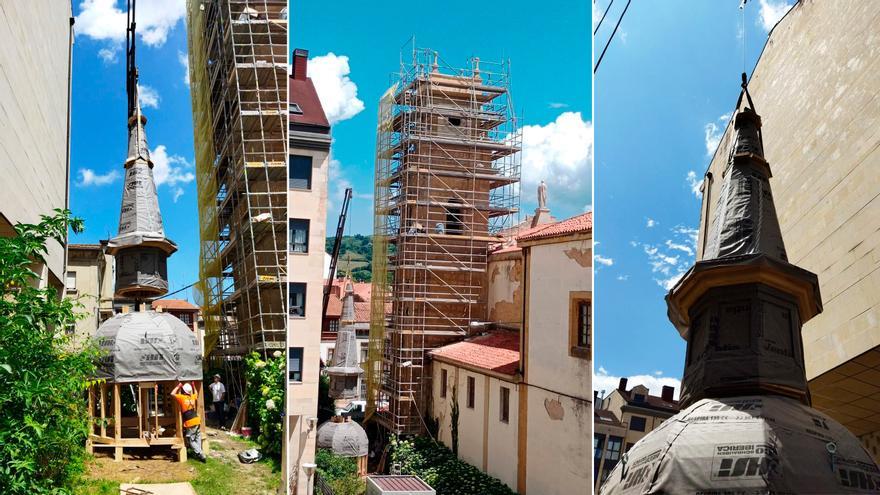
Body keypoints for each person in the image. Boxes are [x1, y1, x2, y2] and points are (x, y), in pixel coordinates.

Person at [171, 381, 206, 463]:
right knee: (197, 437)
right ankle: (200, 452)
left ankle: (200, 453)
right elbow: (196, 393)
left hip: (190, 422)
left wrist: (178, 386)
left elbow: (172, 393)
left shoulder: (182, 398)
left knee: (190, 440)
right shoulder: (192, 397)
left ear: (184, 391)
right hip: (197, 420)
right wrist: (194, 386)